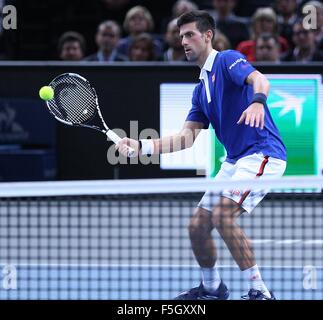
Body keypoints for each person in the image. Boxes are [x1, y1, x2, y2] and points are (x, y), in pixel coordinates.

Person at [116, 10, 287, 300]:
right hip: (234, 160)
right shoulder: (200, 89)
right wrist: (141, 146)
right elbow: (186, 138)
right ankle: (212, 288)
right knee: (197, 226)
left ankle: (260, 291)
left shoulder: (227, 60)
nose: (184, 41)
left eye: (190, 34)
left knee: (222, 216)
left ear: (207, 36)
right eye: (181, 35)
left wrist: (258, 102)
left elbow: (261, 80)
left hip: (262, 154)